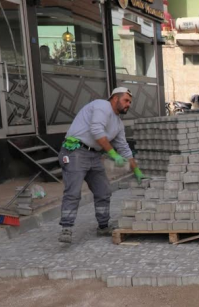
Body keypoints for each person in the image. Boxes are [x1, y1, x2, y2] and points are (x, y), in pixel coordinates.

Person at [58, 87, 147, 244]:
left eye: (130, 102)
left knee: (104, 190)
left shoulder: (118, 124)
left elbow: (125, 149)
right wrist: (112, 154)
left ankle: (103, 226)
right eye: (126, 100)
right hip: (75, 151)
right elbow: (96, 130)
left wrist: (137, 170)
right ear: (115, 99)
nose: (128, 105)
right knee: (73, 191)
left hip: (94, 155)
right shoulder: (101, 106)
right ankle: (66, 227)